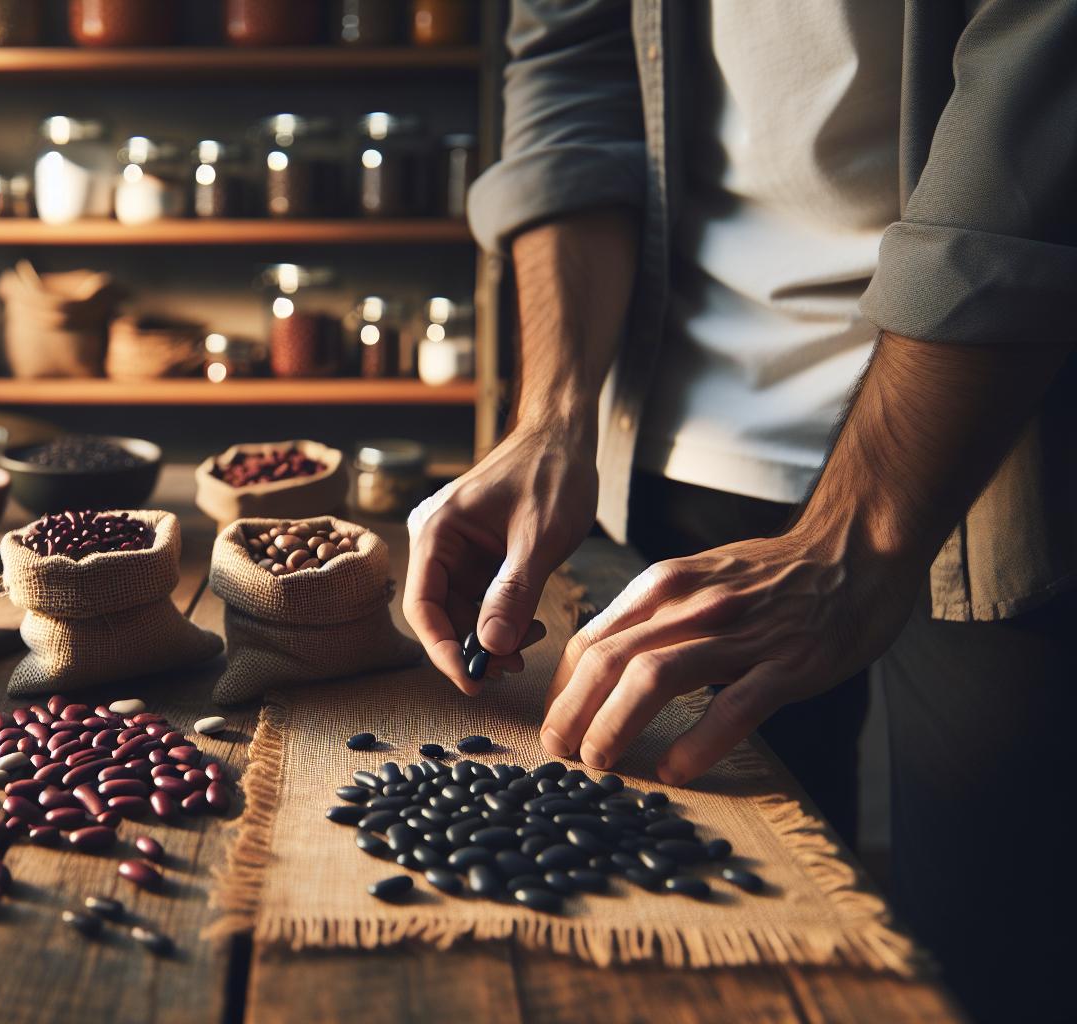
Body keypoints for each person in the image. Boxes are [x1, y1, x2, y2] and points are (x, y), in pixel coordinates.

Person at [402, 2, 1076, 1019]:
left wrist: (856, 531)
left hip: (998, 440)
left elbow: (1036, 119)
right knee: (705, 953)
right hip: (685, 423)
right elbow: (571, 65)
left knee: (990, 961)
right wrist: (552, 415)